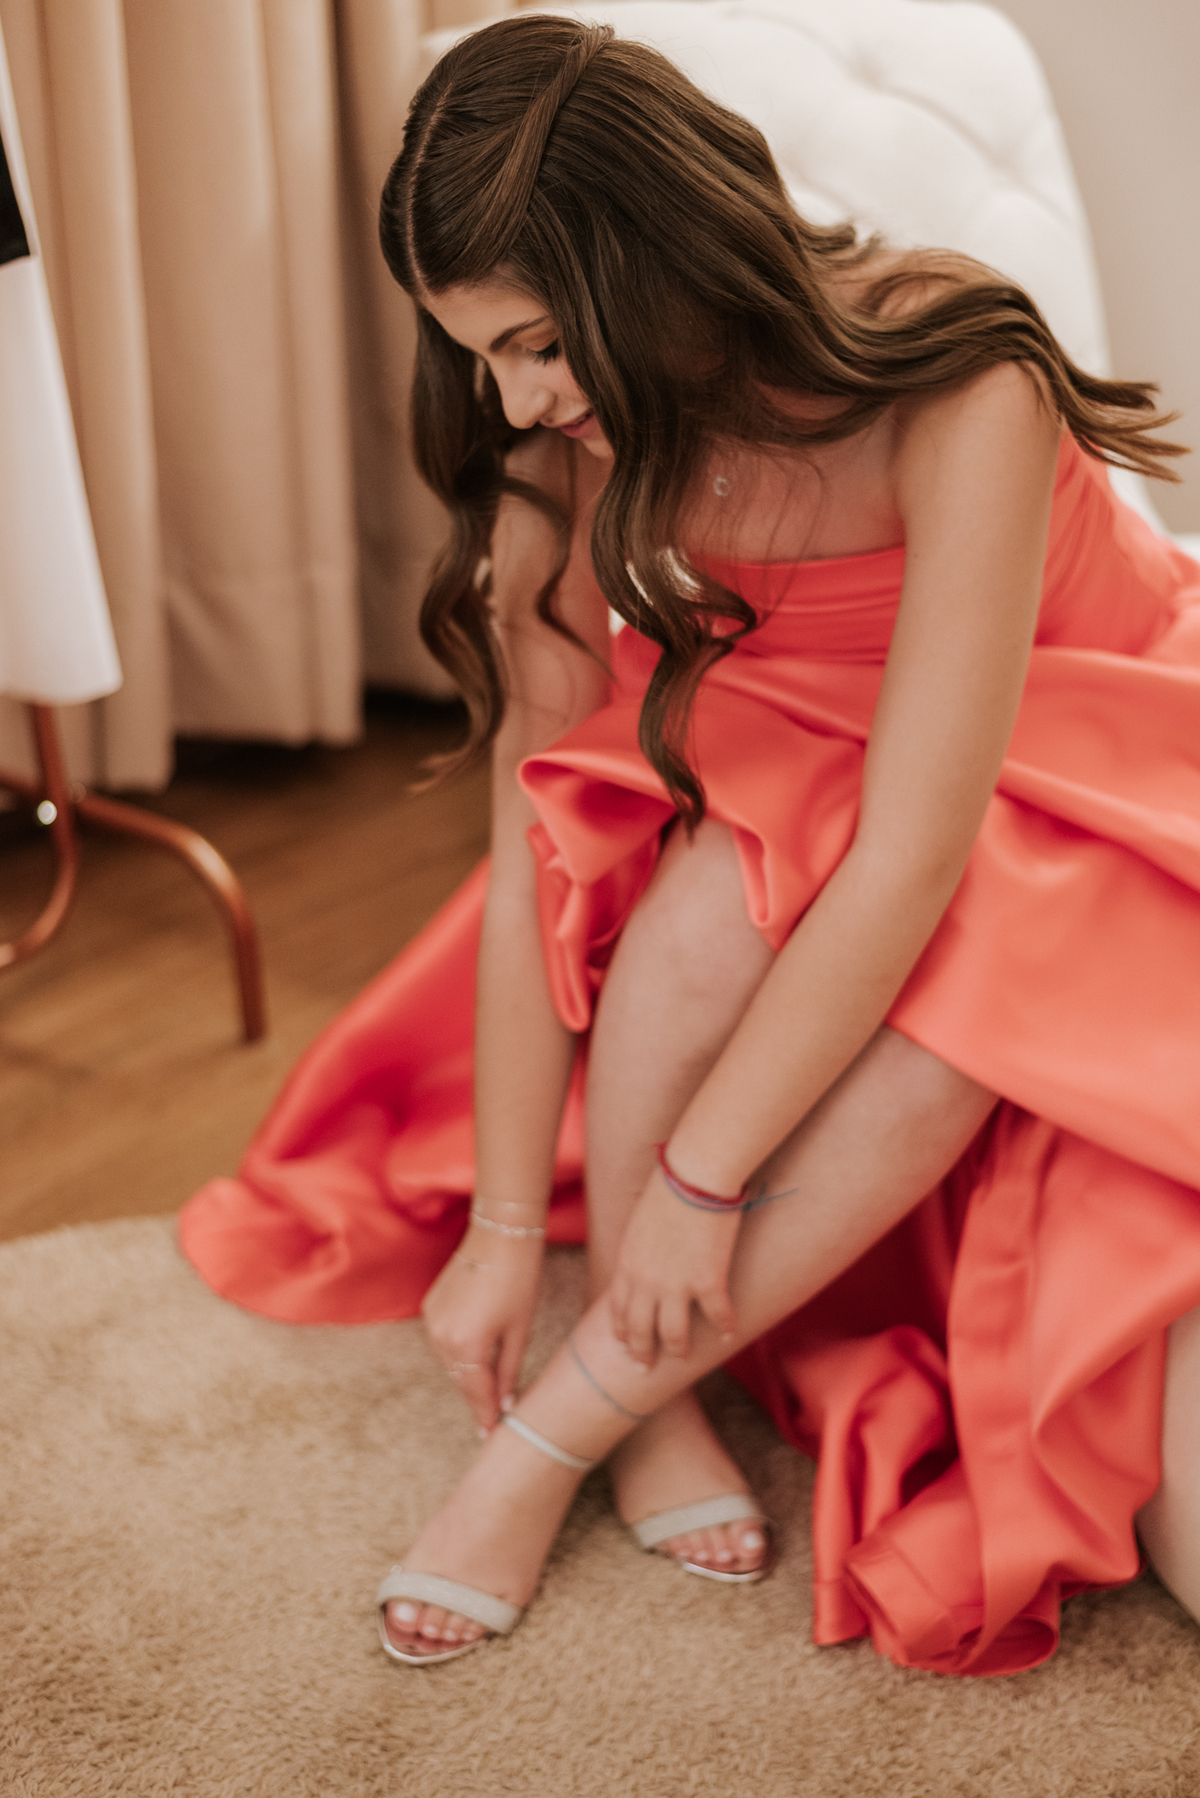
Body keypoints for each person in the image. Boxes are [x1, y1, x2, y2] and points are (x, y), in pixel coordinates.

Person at [178, 15, 1200, 1675]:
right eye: (482, 355)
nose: (517, 396)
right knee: (703, 896)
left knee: (966, 1003)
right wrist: (512, 1226)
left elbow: (921, 849)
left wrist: (698, 1182)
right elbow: (530, 835)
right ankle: (636, 1361)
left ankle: (556, 1433)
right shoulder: (558, 451)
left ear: (656, 253)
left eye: (536, 343)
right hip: (815, 747)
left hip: (1090, 741)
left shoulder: (957, 376)